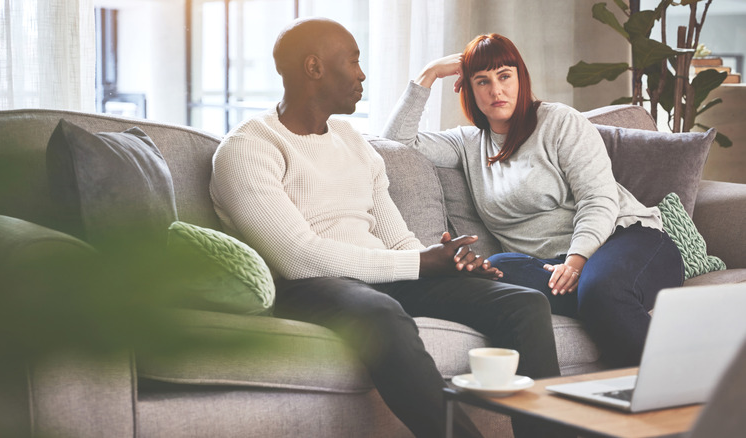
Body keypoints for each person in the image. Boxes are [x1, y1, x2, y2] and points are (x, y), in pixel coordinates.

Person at [210, 18, 561, 438]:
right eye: (353, 61)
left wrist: (446, 263)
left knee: (523, 303)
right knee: (382, 313)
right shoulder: (250, 147)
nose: (361, 75)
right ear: (314, 67)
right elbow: (299, 256)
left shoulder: (353, 140)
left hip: (380, 276)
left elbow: (397, 239)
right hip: (309, 285)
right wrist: (420, 263)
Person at [382, 33, 685, 368]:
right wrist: (429, 73)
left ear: (520, 78)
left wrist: (576, 262)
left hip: (625, 240)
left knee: (600, 291)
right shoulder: (467, 143)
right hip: (549, 268)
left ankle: (673, 392)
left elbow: (598, 200)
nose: (495, 90)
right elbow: (395, 143)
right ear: (468, 89)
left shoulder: (559, 121)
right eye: (482, 81)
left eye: (504, 76)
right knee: (497, 271)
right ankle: (595, 301)